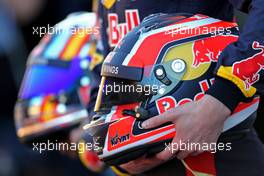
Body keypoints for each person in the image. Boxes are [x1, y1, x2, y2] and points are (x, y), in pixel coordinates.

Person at [85, 0, 264, 175]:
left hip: (215, 144)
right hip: (141, 160)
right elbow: (101, 63)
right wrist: (117, 152)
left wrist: (221, 99)